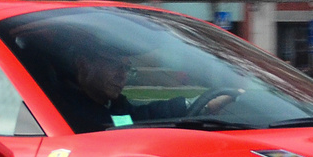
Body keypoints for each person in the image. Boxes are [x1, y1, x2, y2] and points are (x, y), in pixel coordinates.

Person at [51, 46, 239, 133]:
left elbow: (141, 115)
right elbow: (108, 125)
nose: (121, 75)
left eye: (126, 68)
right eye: (115, 65)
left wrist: (200, 104)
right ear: (83, 64)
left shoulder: (112, 105)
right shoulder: (67, 110)